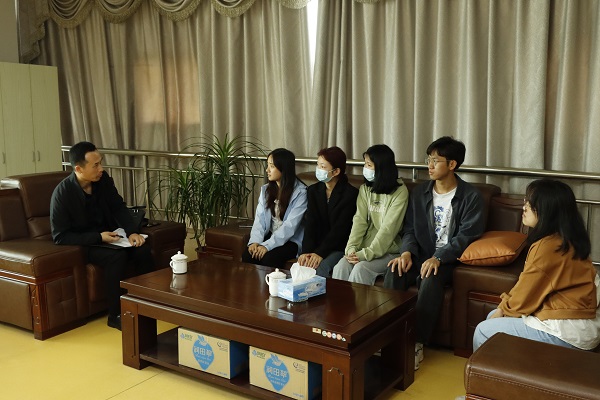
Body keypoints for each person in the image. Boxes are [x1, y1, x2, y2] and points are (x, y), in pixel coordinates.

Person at [384, 136, 485, 370]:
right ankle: (387, 337)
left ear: (452, 164)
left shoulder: (471, 197)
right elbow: (409, 229)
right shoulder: (420, 193)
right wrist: (406, 253)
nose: (429, 166)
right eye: (428, 160)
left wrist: (439, 257)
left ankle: (416, 342)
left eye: (435, 161)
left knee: (430, 277)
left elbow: (466, 236)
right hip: (420, 254)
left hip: (449, 260)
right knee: (395, 270)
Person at [472, 179, 600, 352]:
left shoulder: (548, 247)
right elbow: (527, 288)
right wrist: (504, 308)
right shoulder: (569, 239)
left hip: (567, 331)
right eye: (526, 200)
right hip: (581, 325)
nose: (524, 207)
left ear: (548, 211)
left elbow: (525, 294)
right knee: (492, 317)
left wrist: (503, 309)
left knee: (483, 330)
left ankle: (483, 370)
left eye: (531, 204)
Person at [50, 141, 155, 330]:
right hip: (87, 243)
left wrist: (132, 232)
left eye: (101, 163)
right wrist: (99, 237)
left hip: (111, 236)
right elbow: (60, 237)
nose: (101, 169)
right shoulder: (63, 194)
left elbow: (118, 207)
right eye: (96, 165)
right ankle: (115, 315)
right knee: (116, 257)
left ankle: (147, 305)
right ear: (79, 169)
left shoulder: (103, 180)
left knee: (142, 250)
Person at [332, 144, 408, 285]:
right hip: (364, 248)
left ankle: (358, 301)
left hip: (389, 250)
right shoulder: (365, 189)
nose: (365, 168)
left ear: (382, 168)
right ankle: (337, 300)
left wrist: (365, 254)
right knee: (341, 265)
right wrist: (351, 249)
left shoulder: (400, 192)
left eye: (369, 165)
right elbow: (359, 221)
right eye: (365, 164)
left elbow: (388, 229)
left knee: (361, 269)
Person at [298, 147, 358, 277]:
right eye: (318, 165)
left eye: (323, 167)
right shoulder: (313, 191)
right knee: (302, 266)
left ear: (336, 171)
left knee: (319, 268)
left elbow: (340, 230)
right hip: (316, 246)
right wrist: (306, 252)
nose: (318, 169)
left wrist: (320, 253)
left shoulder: (350, 194)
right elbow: (310, 224)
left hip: (338, 247)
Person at [242, 148, 307, 268]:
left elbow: (290, 226)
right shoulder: (266, 190)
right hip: (271, 235)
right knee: (248, 254)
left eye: (271, 166)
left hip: (290, 240)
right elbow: (260, 219)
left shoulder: (301, 193)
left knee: (269, 258)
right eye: (267, 165)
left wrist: (267, 246)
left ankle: (270, 281)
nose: (267, 170)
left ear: (284, 168)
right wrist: (255, 242)